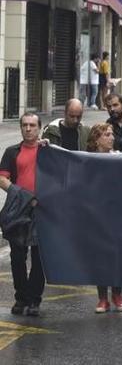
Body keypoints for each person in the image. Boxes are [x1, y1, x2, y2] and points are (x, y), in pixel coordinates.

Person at [0, 113, 45, 316]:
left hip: (42, 211)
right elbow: (3, 180)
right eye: (25, 125)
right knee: (17, 257)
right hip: (19, 210)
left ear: (39, 128)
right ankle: (21, 299)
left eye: (32, 125)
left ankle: (34, 300)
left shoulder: (47, 151)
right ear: (20, 128)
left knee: (39, 258)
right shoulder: (11, 152)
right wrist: (25, 197)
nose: (28, 129)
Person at [85, 124, 122, 313]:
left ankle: (117, 295)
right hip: (95, 216)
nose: (111, 138)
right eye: (107, 135)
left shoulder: (120, 157)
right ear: (96, 139)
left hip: (118, 214)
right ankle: (102, 298)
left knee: (118, 255)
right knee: (99, 257)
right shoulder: (86, 160)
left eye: (112, 134)